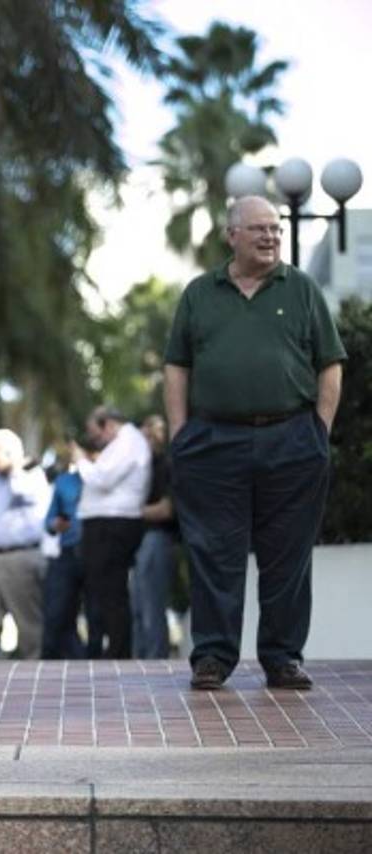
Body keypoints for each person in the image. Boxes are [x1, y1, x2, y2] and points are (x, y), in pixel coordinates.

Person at [164, 195, 345, 691]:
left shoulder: (302, 289)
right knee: (213, 553)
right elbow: (177, 366)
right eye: (259, 229)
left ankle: (283, 658)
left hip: (292, 438)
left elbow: (330, 364)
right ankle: (213, 658)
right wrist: (180, 434)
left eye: (276, 229)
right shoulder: (200, 293)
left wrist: (318, 430)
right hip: (212, 442)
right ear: (232, 236)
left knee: (288, 555)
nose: (270, 237)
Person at [74, 405, 151, 659]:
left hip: (114, 523)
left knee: (112, 590)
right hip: (105, 522)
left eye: (95, 434)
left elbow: (103, 479)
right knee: (104, 590)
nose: (96, 442)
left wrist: (81, 460)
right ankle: (114, 648)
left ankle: (119, 651)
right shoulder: (121, 443)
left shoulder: (129, 441)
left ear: (108, 424)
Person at [0, 429, 51, 661]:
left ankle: (37, 670)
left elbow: (23, 492)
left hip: (19, 556)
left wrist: (14, 465)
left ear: (9, 452)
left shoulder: (31, 473)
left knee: (28, 622)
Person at [40, 440, 98, 659]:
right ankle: (63, 658)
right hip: (68, 551)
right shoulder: (64, 482)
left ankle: (95, 658)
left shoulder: (102, 481)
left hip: (96, 552)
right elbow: (48, 521)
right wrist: (56, 524)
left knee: (96, 612)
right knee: (57, 611)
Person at [129, 415, 179, 659]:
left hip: (158, 538)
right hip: (140, 541)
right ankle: (140, 660)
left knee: (151, 608)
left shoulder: (167, 464)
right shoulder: (141, 468)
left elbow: (166, 509)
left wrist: (128, 509)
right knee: (138, 609)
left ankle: (155, 661)